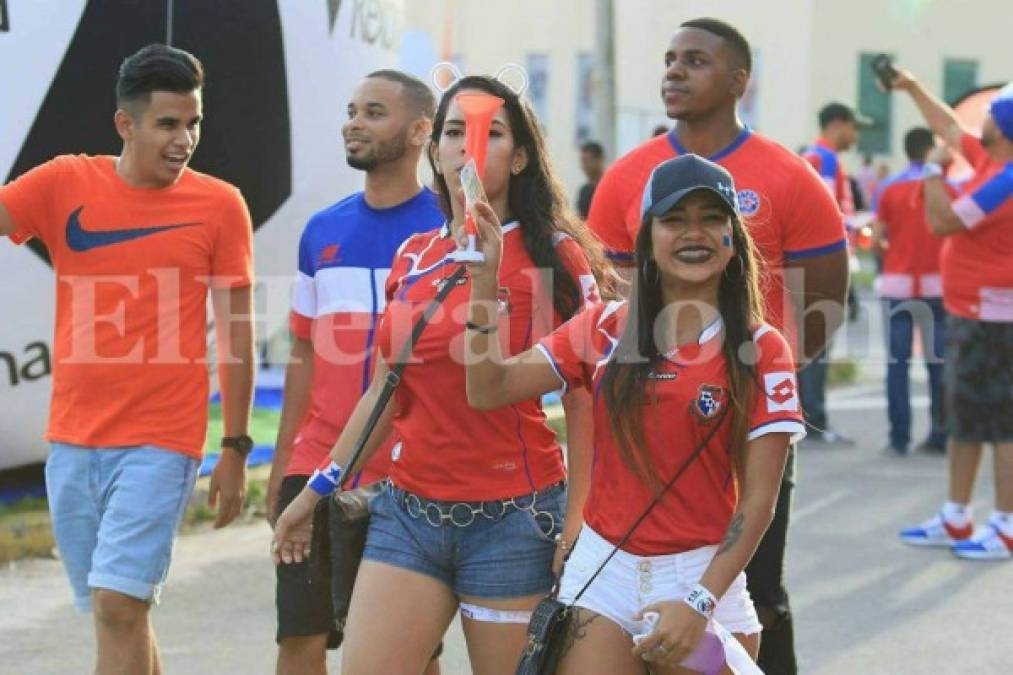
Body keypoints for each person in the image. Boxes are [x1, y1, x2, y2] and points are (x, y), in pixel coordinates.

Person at [273, 74, 614, 673]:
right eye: (454, 131)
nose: (469, 145)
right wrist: (316, 490)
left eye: (492, 132)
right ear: (434, 150)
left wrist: (579, 518)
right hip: (407, 514)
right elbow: (385, 387)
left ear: (523, 155)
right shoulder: (416, 254)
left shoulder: (554, 255)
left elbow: (589, 400)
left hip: (514, 519)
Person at [465, 154, 804, 673]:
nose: (695, 232)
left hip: (702, 578)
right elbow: (488, 388)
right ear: (647, 238)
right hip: (604, 574)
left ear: (733, 236)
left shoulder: (763, 348)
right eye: (674, 219)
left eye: (712, 218)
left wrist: (698, 603)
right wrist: (484, 282)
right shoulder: (600, 327)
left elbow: (759, 502)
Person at [586, 17, 848, 674]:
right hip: (640, 423)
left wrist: (753, 391)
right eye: (670, 59)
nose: (673, 71)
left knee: (751, 589)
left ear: (738, 80)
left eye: (694, 61)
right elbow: (598, 302)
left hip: (740, 425)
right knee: (625, 590)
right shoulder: (626, 177)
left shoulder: (788, 176)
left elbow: (825, 297)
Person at [0, 44, 255, 673]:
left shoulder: (222, 205)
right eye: (169, 123)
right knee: (117, 611)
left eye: (193, 122)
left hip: (161, 441)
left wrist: (236, 447)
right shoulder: (65, 183)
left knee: (118, 604)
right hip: (72, 440)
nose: (186, 138)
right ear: (126, 124)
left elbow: (238, 336)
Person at [266, 70, 446, 675]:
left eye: (374, 112)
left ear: (422, 130)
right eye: (352, 110)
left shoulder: (450, 231)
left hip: (410, 473)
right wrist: (282, 465)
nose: (354, 122)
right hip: (316, 464)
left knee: (413, 652)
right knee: (299, 637)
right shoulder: (322, 230)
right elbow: (303, 355)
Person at [887, 72, 1013, 560]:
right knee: (964, 419)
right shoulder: (990, 158)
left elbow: (942, 221)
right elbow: (949, 123)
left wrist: (933, 172)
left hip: (994, 320)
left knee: (1002, 424)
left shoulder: (1004, 180)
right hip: (973, 314)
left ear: (999, 129)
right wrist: (914, 87)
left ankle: (1004, 525)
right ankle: (958, 516)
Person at [870, 127, 949, 456]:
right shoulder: (946, 187)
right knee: (939, 363)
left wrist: (892, 252)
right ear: (931, 150)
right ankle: (940, 435)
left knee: (897, 364)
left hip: (898, 284)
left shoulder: (888, 188)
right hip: (937, 284)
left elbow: (876, 241)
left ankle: (899, 437)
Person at [798, 102, 870, 447]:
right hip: (822, 268)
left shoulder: (815, 156)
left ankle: (806, 417)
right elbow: (824, 214)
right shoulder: (824, 159)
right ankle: (813, 420)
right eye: (854, 128)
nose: (855, 136)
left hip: (810, 266)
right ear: (838, 124)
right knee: (816, 346)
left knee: (808, 343)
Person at [576, 140, 606, 219]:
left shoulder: (609, 187)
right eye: (583, 161)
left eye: (588, 161)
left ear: (600, 159)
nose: (584, 166)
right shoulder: (584, 191)